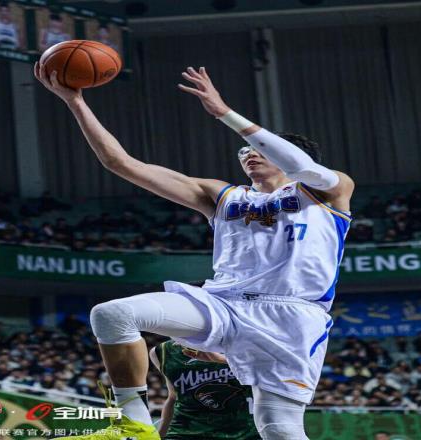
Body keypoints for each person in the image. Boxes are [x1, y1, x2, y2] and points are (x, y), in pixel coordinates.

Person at [34, 63, 355, 440]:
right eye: (244, 150)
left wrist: (225, 114)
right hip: (223, 303)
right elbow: (121, 164)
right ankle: (133, 423)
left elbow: (303, 167)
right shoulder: (222, 195)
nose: (248, 153)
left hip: (292, 316)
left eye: (258, 148)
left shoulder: (328, 191)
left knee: (279, 430)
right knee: (112, 314)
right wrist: (75, 102)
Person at [149, 340, 260, 439]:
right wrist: (160, 436)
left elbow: (267, 373)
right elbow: (173, 396)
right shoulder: (163, 352)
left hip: (244, 431)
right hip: (185, 432)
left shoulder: (246, 340)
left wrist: (222, 359)